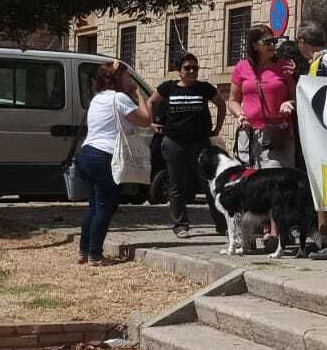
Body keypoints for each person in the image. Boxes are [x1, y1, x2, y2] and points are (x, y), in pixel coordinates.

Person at [281, 23, 327, 259]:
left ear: (302, 42)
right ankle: (326, 238)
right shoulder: (316, 62)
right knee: (321, 187)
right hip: (318, 135)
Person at [75, 61, 152, 266]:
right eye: (127, 78)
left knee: (93, 206)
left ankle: (84, 251)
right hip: (104, 156)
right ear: (117, 79)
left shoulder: (98, 99)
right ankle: (95, 254)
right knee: (105, 207)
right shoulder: (119, 98)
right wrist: (141, 96)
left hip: (87, 154)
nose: (130, 82)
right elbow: (145, 119)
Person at [150, 52, 225, 238]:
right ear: (179, 71)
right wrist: (152, 122)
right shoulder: (168, 88)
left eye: (195, 68)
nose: (191, 71)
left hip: (199, 143)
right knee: (177, 184)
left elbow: (221, 104)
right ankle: (180, 225)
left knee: (209, 184)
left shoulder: (204, 88)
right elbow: (151, 102)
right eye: (187, 68)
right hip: (174, 143)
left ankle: (222, 224)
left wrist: (217, 128)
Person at [228, 25, 297, 168]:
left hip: (277, 135)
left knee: (276, 181)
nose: (272, 45)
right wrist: (240, 114)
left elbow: (297, 98)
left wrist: (289, 103)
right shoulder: (242, 67)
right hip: (249, 135)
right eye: (267, 42)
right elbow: (233, 100)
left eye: (274, 41)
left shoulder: (285, 67)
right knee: (249, 182)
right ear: (254, 45)